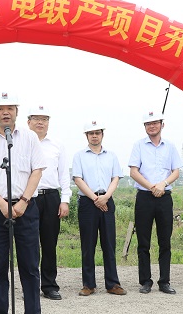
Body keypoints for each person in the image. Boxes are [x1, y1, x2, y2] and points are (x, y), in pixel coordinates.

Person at [0, 92, 47, 314]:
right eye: (0, 109)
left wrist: (23, 201)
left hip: (26, 208)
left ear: (17, 111)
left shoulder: (29, 138)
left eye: (10, 108)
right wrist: (1, 204)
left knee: (30, 267)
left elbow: (37, 170)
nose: (5, 113)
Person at [128, 111, 182, 295]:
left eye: (155, 123)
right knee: (143, 241)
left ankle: (164, 281)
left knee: (165, 241)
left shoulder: (170, 146)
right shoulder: (139, 145)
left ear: (162, 125)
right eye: (148, 124)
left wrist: (163, 184)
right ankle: (145, 281)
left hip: (164, 198)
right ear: (145, 127)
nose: (152, 126)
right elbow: (134, 172)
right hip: (144, 197)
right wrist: (152, 186)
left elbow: (176, 171)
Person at [72, 120, 126, 297]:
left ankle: (113, 283)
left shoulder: (111, 156)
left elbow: (115, 178)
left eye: (97, 133)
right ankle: (88, 284)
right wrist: (95, 199)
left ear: (102, 134)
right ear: (86, 136)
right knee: (88, 244)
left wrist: (105, 197)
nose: (94, 136)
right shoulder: (79, 156)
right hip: (88, 202)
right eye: (91, 133)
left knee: (109, 243)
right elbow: (78, 179)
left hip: (107, 200)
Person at [26, 105, 71, 301]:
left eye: (44, 119)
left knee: (49, 243)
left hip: (51, 197)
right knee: (29, 244)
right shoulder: (21, 143)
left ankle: (49, 285)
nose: (40, 122)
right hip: (28, 198)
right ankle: (30, 286)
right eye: (36, 118)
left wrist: (65, 200)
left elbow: (64, 174)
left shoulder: (57, 145)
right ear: (28, 122)